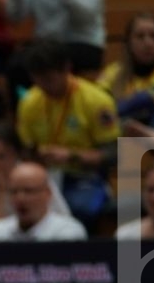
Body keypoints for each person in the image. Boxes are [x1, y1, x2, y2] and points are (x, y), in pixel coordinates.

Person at [16, 37, 118, 224]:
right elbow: (25, 148)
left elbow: (113, 154)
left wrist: (71, 156)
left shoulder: (96, 101)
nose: (44, 86)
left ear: (66, 68)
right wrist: (36, 155)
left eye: (49, 78)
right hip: (44, 176)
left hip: (84, 176)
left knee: (80, 208)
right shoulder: (29, 102)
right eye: (38, 79)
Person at [97, 12, 154, 139]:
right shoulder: (113, 74)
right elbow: (100, 112)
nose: (148, 43)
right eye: (140, 37)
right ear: (129, 43)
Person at [0, 122, 70, 224]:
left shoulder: (35, 178)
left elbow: (65, 219)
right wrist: (0, 192)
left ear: (15, 155)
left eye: (1, 156)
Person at [8, 0, 105, 76]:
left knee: (54, 66)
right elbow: (15, 17)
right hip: (45, 44)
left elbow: (85, 17)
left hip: (83, 42)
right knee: (17, 66)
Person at [0, 160, 87, 241]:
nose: (20, 199)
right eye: (14, 192)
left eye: (28, 191)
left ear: (47, 194)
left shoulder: (68, 232)